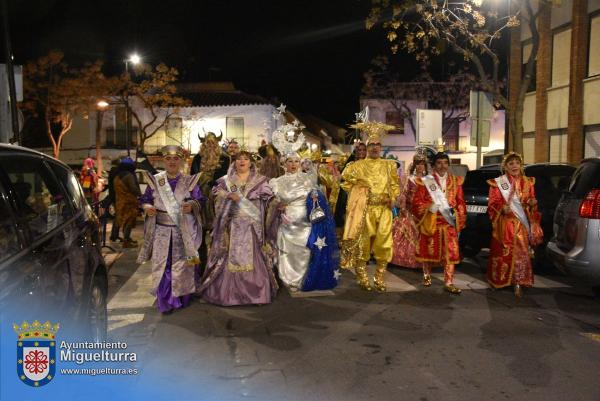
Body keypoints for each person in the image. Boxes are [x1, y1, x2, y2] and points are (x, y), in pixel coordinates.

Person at [199, 151, 278, 306]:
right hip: (231, 226)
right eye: (239, 159)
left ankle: (256, 295)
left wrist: (274, 203)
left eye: (246, 159)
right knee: (227, 259)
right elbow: (215, 194)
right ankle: (230, 295)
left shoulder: (261, 181)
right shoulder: (226, 181)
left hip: (252, 227)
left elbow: (270, 199)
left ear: (251, 162)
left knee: (255, 259)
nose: (242, 161)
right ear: (234, 162)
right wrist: (227, 196)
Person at [137, 145, 204, 314]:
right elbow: (144, 200)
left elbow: (200, 200)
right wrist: (146, 207)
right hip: (161, 231)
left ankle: (182, 296)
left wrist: (192, 205)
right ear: (163, 161)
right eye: (168, 158)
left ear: (181, 161)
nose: (172, 162)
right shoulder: (155, 181)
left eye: (176, 158)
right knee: (163, 265)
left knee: (182, 265)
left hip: (184, 231)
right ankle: (166, 301)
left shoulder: (190, 181)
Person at [269, 153, 339, 292]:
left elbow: (317, 197)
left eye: (296, 161)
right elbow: (272, 202)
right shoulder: (276, 182)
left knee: (305, 251)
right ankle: (290, 280)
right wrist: (278, 206)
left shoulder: (308, 179)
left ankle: (304, 278)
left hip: (306, 223)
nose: (293, 164)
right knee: (289, 252)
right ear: (284, 163)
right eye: (290, 161)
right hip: (287, 224)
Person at [340, 129, 400, 292]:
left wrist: (392, 197)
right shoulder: (357, 166)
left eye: (377, 144)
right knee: (363, 245)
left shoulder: (389, 165)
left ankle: (379, 277)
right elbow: (345, 183)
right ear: (366, 147)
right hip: (365, 211)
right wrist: (359, 194)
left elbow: (395, 185)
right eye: (371, 144)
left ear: (381, 147)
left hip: (384, 210)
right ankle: (362, 277)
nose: (374, 147)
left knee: (384, 245)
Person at [486, 152, 542, 298]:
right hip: (505, 224)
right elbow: (492, 204)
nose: (514, 166)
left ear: (521, 165)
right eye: (511, 163)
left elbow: (531, 200)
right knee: (502, 252)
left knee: (521, 254)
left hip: (521, 225)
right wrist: (500, 208)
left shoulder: (529, 182)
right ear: (505, 167)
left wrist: (532, 203)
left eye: (517, 163)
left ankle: (518, 282)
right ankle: (498, 280)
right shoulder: (498, 183)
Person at [412, 152, 466, 294]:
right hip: (432, 221)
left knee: (451, 253)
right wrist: (428, 207)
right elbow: (417, 202)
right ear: (434, 165)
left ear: (448, 164)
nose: (442, 166)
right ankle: (426, 275)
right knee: (428, 250)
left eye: (445, 162)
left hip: (448, 223)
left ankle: (448, 282)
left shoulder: (456, 181)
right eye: (439, 163)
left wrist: (457, 214)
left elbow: (460, 202)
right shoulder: (426, 181)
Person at [390, 152, 428, 269]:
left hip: (424, 213)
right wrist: (402, 205)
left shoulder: (429, 180)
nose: (420, 166)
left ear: (425, 166)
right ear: (414, 165)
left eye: (422, 164)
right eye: (418, 164)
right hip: (409, 211)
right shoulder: (409, 179)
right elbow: (403, 194)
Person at [334, 142, 367, 231]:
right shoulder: (351, 164)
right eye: (359, 150)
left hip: (366, 194)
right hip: (351, 192)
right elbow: (343, 176)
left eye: (364, 150)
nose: (362, 152)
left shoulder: (369, 164)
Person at [113, 157, 141, 248]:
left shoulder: (117, 176)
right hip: (129, 203)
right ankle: (126, 241)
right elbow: (133, 188)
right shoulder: (129, 176)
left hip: (120, 202)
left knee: (124, 220)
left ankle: (127, 238)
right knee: (128, 221)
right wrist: (139, 194)